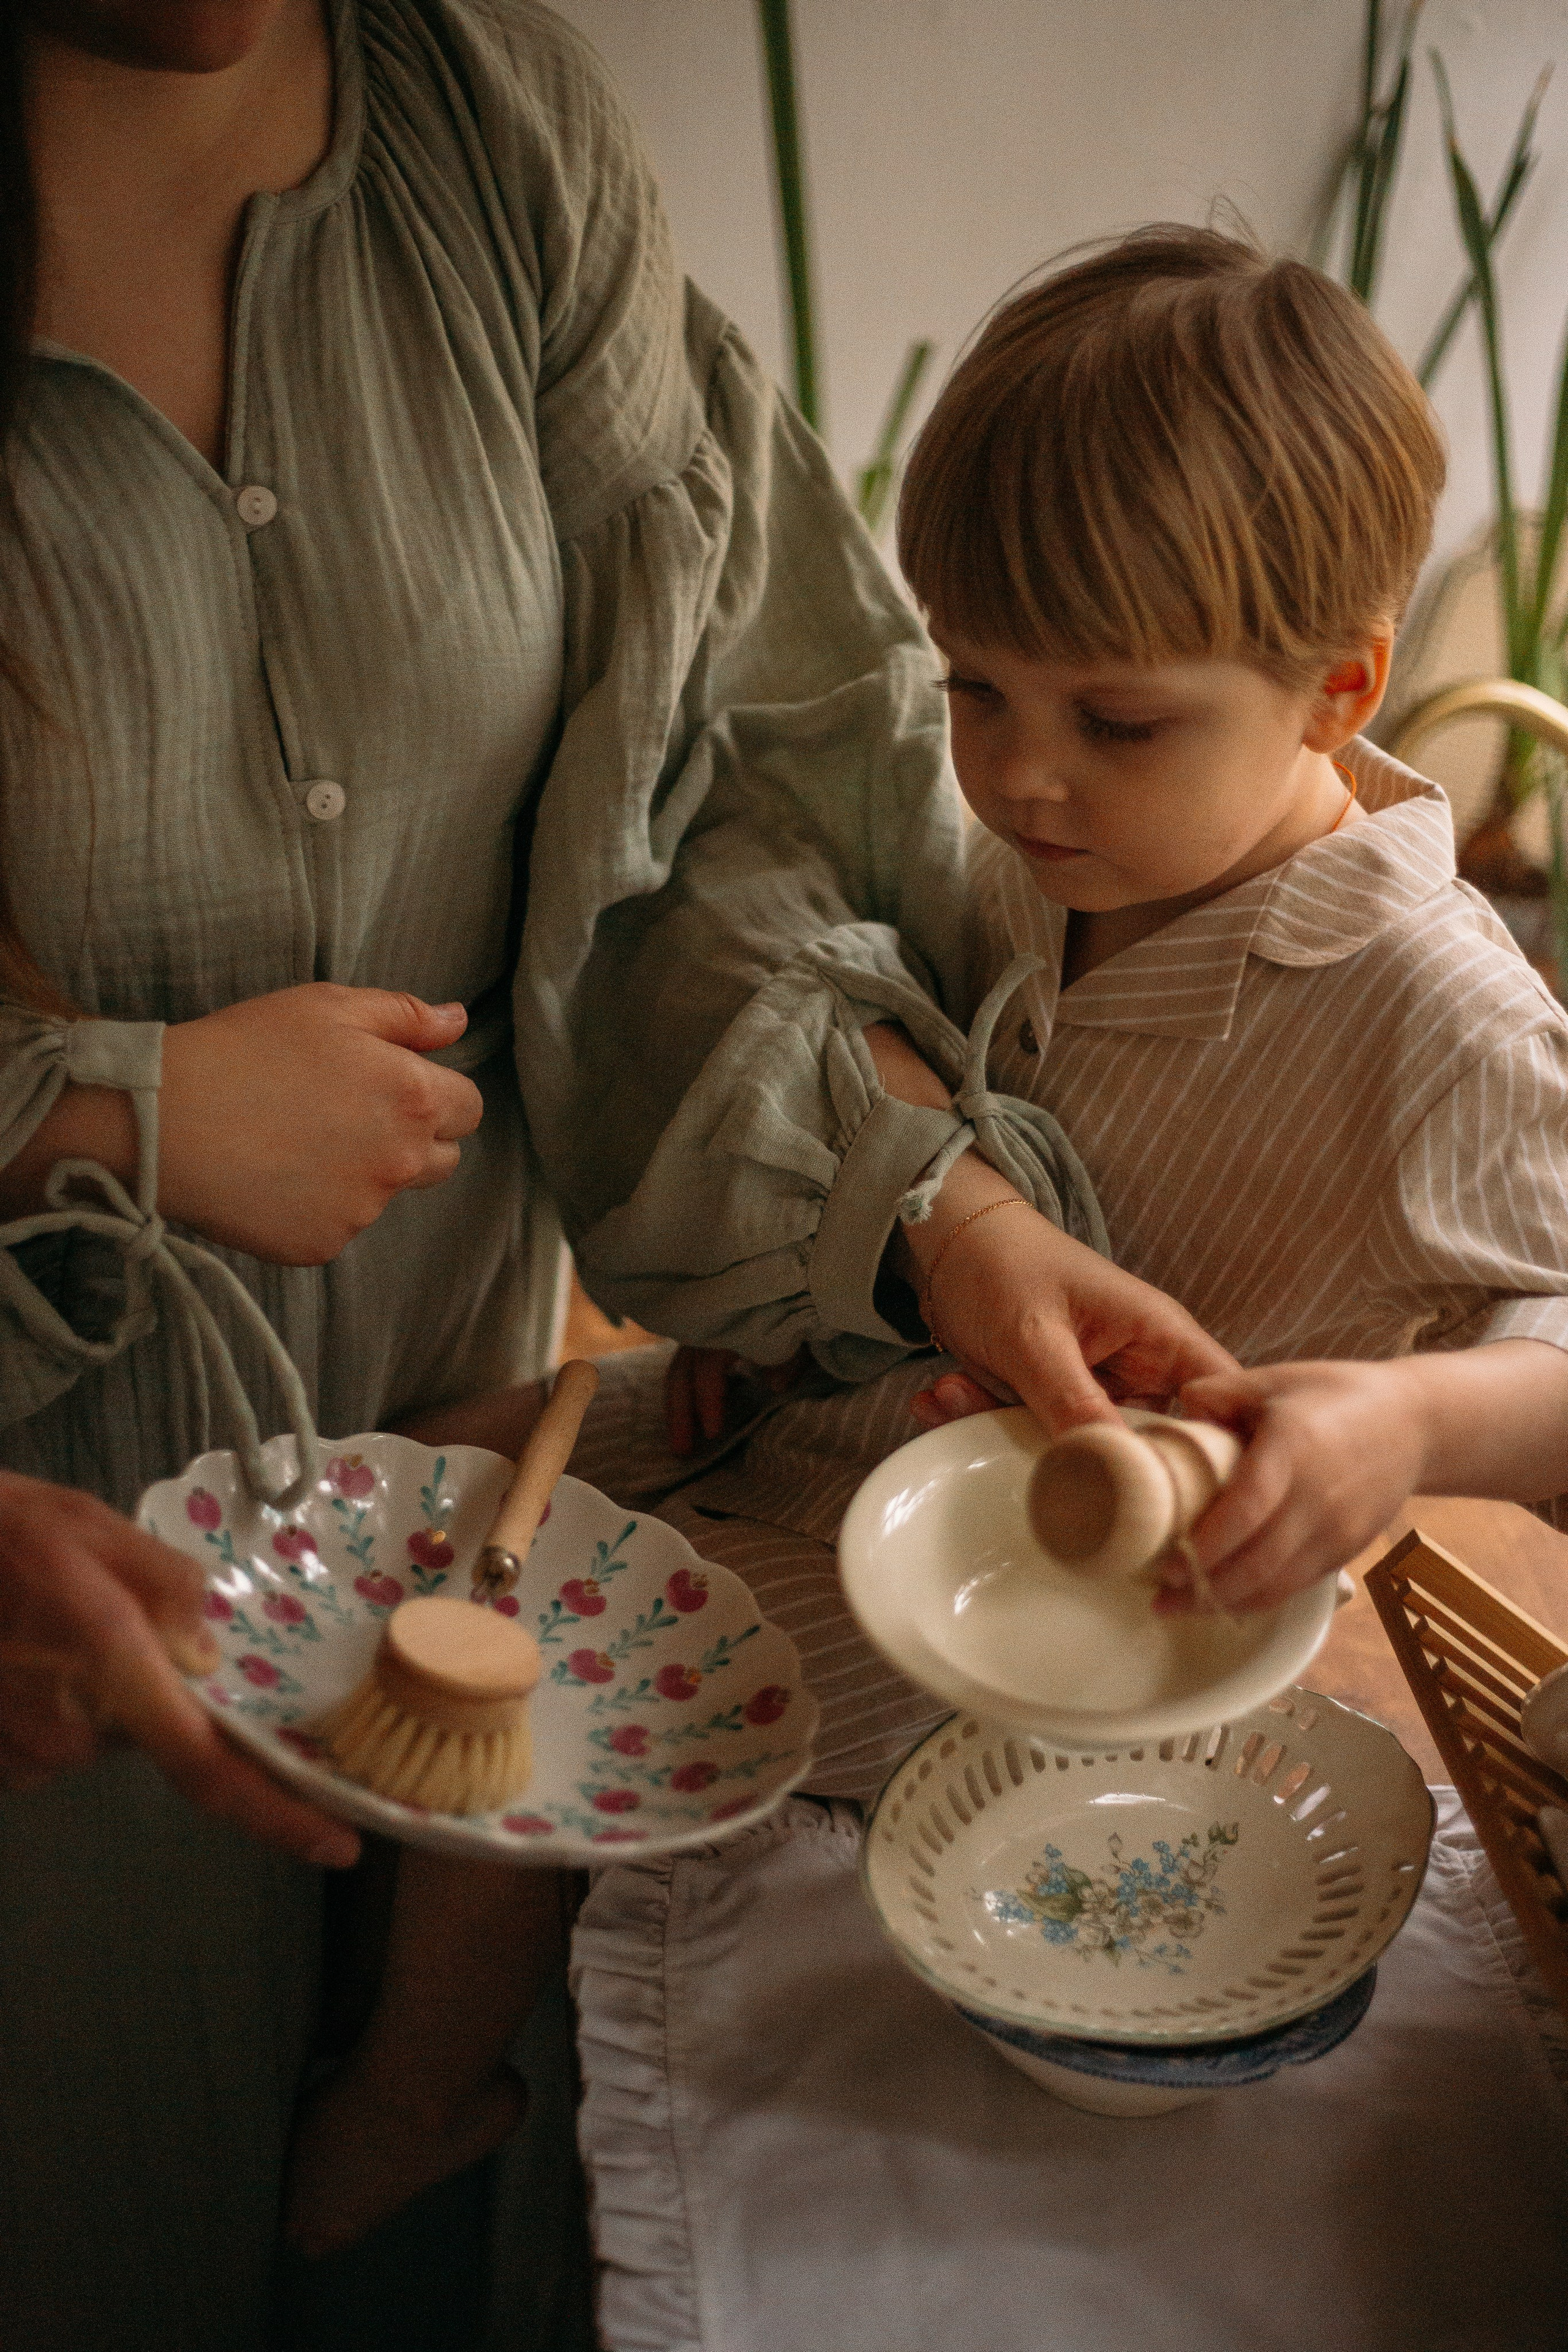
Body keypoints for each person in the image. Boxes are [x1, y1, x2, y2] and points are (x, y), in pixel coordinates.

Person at [0, 10, 1226, 2342]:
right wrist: (101, 1109)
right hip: (41, 1612)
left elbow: (697, 812)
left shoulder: (499, 138)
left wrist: (941, 1216)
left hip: (451, 1516)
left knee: (401, 2198)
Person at [888, 222, 1568, 1601]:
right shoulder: (1039, 853)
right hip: (874, 1464)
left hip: (1086, 1609)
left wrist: (1408, 1426)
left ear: (1337, 691)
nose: (1016, 772)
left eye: (1116, 722)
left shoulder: (1437, 1015)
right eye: (973, 689)